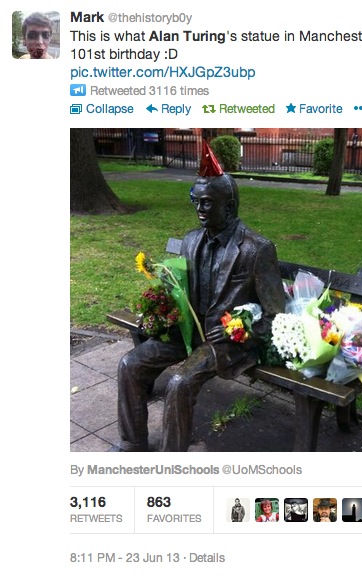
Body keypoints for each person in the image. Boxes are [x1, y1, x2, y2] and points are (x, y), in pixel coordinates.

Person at [113, 141, 286, 452]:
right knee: (129, 363)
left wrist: (242, 327)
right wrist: (162, 308)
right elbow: (180, 287)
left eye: (206, 203)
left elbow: (277, 315)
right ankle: (131, 444)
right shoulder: (191, 240)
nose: (198, 208)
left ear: (229, 207)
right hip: (188, 331)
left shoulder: (256, 249)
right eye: (195, 200)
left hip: (224, 342)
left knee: (179, 384)